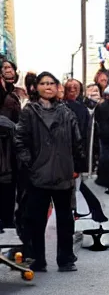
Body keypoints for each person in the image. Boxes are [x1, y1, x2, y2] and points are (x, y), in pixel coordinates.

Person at [15, 71, 85, 272]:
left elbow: (77, 141)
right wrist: (30, 163)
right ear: (36, 87)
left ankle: (65, 259)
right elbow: (20, 141)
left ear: (57, 87)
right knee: (36, 220)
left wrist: (77, 167)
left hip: (63, 172)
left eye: (51, 83)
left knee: (65, 219)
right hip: (39, 174)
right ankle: (37, 259)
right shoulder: (29, 111)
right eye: (43, 83)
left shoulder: (66, 112)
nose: (47, 86)